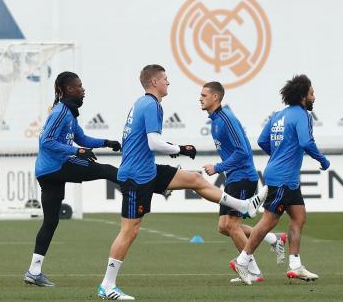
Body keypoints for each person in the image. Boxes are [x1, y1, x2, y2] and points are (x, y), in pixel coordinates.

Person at [97, 65, 267, 300]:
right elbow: (153, 142)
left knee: (195, 179)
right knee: (130, 231)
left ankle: (243, 206)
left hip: (147, 170)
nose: (168, 82)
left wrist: (180, 150)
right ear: (154, 82)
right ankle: (107, 285)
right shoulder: (151, 105)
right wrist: (180, 149)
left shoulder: (142, 103)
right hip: (137, 176)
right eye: (165, 79)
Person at [24, 71, 122, 287]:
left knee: (50, 222)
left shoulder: (67, 112)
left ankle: (33, 271)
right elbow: (46, 141)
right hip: (57, 167)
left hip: (47, 173)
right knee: (104, 169)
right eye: (79, 86)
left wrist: (107, 142)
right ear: (69, 89)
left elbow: (82, 138)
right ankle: (142, 186)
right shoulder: (60, 112)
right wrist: (77, 152)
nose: (83, 89)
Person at [229, 75, 329, 285]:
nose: (314, 97)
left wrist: (278, 154)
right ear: (303, 96)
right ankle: (242, 260)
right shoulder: (302, 115)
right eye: (311, 93)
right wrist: (323, 160)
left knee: (299, 217)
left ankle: (295, 266)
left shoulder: (278, 115)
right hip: (282, 179)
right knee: (269, 221)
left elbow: (262, 140)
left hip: (285, 178)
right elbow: (306, 141)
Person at [199, 82, 287, 283]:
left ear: (216, 97)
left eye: (204, 95)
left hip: (243, 177)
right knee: (223, 226)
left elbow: (243, 152)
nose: (200, 98)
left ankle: (254, 272)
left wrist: (218, 167)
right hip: (234, 177)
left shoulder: (226, 119)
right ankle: (273, 238)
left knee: (232, 225)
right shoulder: (215, 120)